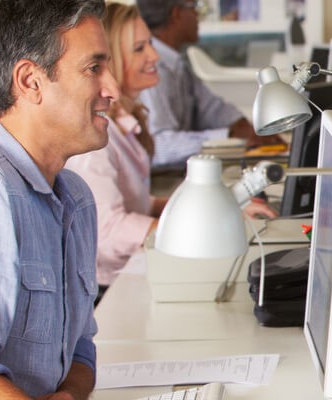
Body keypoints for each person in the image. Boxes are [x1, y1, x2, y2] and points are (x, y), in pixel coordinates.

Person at [0, 0, 114, 397]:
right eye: (94, 68)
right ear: (30, 81)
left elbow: (81, 351)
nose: (112, 89)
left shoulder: (77, 199)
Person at [65, 3, 277, 291]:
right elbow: (110, 230)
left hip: (134, 272)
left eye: (150, 45)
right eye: (139, 49)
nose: (154, 55)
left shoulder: (128, 123)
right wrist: (196, 227)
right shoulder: (99, 139)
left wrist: (216, 207)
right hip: (110, 289)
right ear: (111, 61)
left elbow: (141, 203)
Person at [134, 0, 281, 169]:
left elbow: (211, 108)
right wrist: (228, 136)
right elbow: (158, 145)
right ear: (177, 14)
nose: (198, 16)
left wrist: (241, 125)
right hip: (162, 181)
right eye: (195, 8)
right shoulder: (153, 71)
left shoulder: (177, 65)